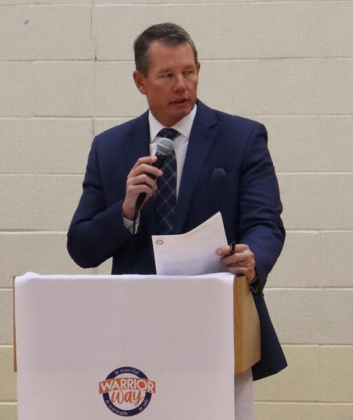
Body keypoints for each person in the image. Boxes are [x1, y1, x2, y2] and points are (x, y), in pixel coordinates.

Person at [67, 22, 286, 418]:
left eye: (189, 72)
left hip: (218, 327)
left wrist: (255, 259)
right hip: (133, 336)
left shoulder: (241, 138)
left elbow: (265, 221)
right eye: (167, 75)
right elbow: (81, 247)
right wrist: (126, 209)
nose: (182, 85)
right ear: (140, 81)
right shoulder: (110, 147)